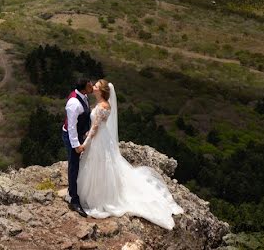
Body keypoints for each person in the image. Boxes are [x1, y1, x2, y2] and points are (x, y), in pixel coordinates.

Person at [77, 79, 184, 230]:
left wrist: (85, 144)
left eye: (96, 86)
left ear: (101, 91)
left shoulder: (102, 106)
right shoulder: (103, 105)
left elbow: (95, 128)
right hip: (102, 138)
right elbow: (97, 126)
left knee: (99, 165)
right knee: (102, 166)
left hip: (99, 140)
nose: (93, 87)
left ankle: (98, 196)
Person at [62, 78, 93, 217]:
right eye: (89, 85)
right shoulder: (74, 103)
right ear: (84, 88)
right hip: (71, 137)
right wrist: (76, 145)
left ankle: (73, 190)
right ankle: (74, 200)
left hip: (80, 134)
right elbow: (72, 127)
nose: (92, 86)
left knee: (77, 165)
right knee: (73, 166)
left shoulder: (83, 96)